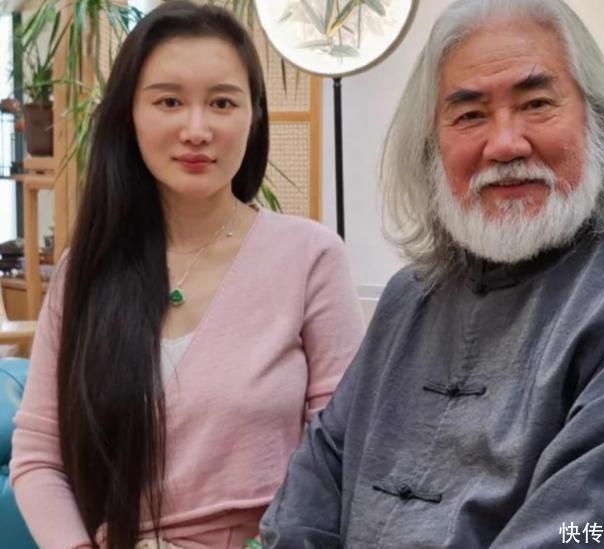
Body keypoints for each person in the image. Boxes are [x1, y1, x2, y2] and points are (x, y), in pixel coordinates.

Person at [259, 0, 604, 547]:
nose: (506, 144)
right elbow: (309, 494)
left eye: (536, 104)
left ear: (599, 121)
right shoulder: (411, 297)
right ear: (431, 148)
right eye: (469, 115)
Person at [10, 2, 365, 548]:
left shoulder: (311, 257)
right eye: (169, 101)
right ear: (130, 114)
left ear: (254, 116)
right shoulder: (87, 270)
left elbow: (345, 456)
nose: (196, 130)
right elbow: (38, 457)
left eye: (222, 102)